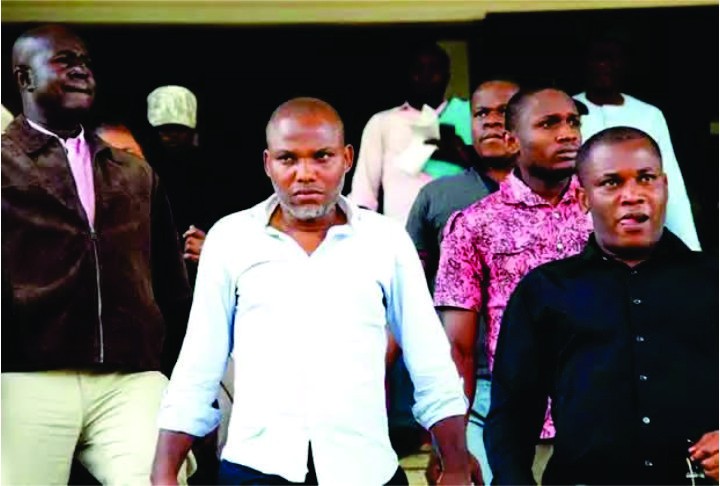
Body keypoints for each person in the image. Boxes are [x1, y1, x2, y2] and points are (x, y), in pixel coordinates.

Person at [151, 97, 476, 486]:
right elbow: (199, 362)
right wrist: (165, 470)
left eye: (322, 156)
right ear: (268, 163)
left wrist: (455, 461)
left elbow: (430, 360)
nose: (305, 174)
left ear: (347, 158)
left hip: (365, 469)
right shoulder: (231, 239)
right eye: (288, 159)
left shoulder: (386, 241)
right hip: (257, 468)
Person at [1, 25, 193, 484]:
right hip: (25, 375)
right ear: (24, 78)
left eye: (85, 62)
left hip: (130, 377)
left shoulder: (134, 172)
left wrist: (171, 369)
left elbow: (170, 283)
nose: (81, 70)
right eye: (64, 61)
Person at [485, 126, 718, 485]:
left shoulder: (711, 281)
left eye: (646, 178)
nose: (633, 195)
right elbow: (512, 415)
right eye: (611, 182)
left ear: (665, 186)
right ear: (583, 198)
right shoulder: (546, 291)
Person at [433, 87, 594, 483]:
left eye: (573, 122)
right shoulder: (473, 225)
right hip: (520, 430)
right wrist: (451, 446)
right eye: (549, 123)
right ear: (511, 139)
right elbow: (457, 349)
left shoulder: (605, 210)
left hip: (606, 424)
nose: (567, 134)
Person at [404, 78, 519, 483]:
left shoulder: (571, 198)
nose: (492, 121)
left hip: (557, 385)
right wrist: (443, 437)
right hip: (472, 385)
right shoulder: (437, 197)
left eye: (504, 111)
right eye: (481, 113)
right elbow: (409, 298)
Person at [573, 34, 701, 250]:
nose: (604, 66)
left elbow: (672, 186)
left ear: (624, 64)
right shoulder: (567, 111)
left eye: (611, 59)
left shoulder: (649, 115)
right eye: (597, 59)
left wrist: (690, 248)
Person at [348, 42, 472, 225]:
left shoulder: (468, 114)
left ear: (447, 76)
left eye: (434, 69)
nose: (425, 76)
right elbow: (363, 191)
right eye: (418, 70)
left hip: (462, 229)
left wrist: (459, 153)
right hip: (403, 231)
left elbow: (496, 174)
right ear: (407, 75)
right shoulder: (382, 122)